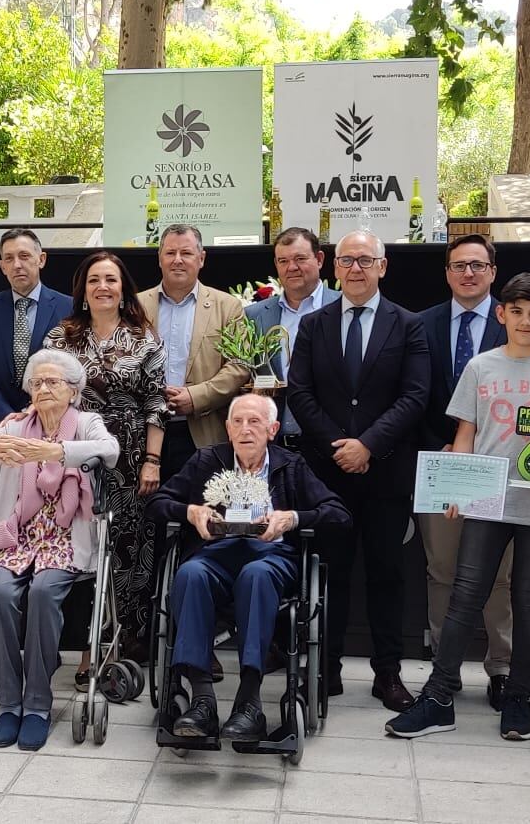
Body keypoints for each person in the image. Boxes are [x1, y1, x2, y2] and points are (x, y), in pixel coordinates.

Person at [386, 274, 530, 742]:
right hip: (486, 497)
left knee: (529, 597)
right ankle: (439, 695)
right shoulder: (480, 366)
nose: (525, 320)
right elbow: (466, 433)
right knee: (466, 592)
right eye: (516, 311)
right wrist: (456, 487)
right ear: (501, 314)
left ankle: (518, 696)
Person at [147, 393, 350, 741]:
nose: (245, 430)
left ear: (272, 429)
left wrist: (292, 518)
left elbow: (339, 513)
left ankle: (249, 702)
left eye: (254, 422)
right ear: (227, 429)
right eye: (237, 422)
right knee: (190, 573)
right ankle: (202, 701)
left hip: (270, 557)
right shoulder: (207, 460)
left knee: (255, 576)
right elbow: (156, 503)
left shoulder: (290, 464)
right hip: (215, 554)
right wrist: (190, 512)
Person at [286, 230, 431, 713]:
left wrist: (368, 444)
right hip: (326, 475)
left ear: (382, 267)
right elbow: (300, 393)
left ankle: (387, 674)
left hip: (386, 471)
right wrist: (339, 447)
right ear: (334, 267)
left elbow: (414, 396)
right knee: (329, 574)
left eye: (365, 260)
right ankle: (325, 669)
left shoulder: (408, 325)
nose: (355, 269)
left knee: (387, 575)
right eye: (347, 260)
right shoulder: (313, 325)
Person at [0, 349, 119, 752]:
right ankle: (10, 704)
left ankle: (37, 706)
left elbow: (110, 451)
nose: (43, 389)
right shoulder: (15, 425)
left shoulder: (84, 423)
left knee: (45, 593)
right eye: (37, 383)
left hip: (64, 539)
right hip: (17, 536)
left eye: (53, 382)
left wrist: (57, 452)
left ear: (72, 390)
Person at [41, 251, 169, 660]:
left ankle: (126, 638)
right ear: (83, 291)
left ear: (123, 289)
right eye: (94, 280)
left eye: (111, 280)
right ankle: (84, 644)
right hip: (73, 457)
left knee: (128, 549)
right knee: (77, 546)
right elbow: (43, 394)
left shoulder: (143, 337)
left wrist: (153, 460)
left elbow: (156, 402)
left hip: (129, 461)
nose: (102, 287)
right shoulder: (60, 338)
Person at [416, 233, 514, 708]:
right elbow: (415, 394)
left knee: (497, 575)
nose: (468, 273)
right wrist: (445, 447)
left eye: (477, 265)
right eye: (459, 266)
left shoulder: (514, 323)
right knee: (442, 570)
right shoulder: (422, 323)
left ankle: (501, 667)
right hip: (441, 464)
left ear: (493, 272)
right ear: (447, 272)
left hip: (498, 467)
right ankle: (444, 665)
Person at [140, 223, 249, 482]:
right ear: (159, 258)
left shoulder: (227, 307)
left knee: (203, 516)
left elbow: (240, 365)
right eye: (170, 253)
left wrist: (196, 396)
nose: (178, 260)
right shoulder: (136, 306)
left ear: (201, 259)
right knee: (149, 517)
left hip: (204, 432)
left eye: (186, 253)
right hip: (144, 435)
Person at [0, 229, 72, 433]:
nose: (17, 265)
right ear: (2, 266)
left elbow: (75, 369)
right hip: (0, 425)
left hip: (54, 422)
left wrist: (38, 409)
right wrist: (6, 417)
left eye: (24, 256)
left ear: (41, 259)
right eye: (9, 259)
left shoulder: (68, 308)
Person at [243, 227, 335, 439]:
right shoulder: (254, 316)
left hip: (330, 440)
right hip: (274, 441)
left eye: (300, 258)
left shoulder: (342, 308)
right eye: (283, 261)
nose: (291, 267)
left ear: (319, 259)